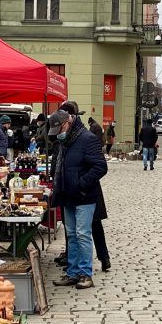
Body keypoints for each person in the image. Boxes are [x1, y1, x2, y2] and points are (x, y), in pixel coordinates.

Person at [49, 110, 108, 289]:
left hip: (84, 196)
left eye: (60, 129)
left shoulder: (87, 138)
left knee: (82, 235)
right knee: (72, 235)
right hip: (68, 195)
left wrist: (80, 184)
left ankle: (85, 274)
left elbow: (100, 167)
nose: (58, 134)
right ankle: (72, 272)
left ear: (68, 122)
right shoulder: (65, 141)